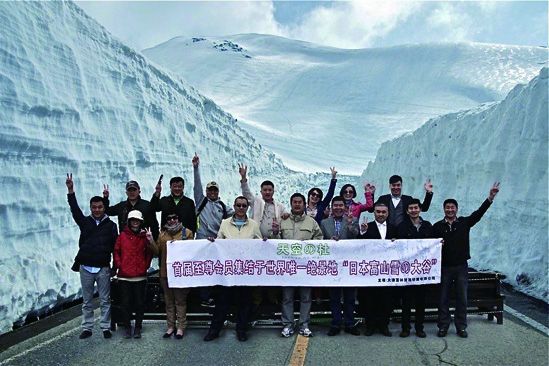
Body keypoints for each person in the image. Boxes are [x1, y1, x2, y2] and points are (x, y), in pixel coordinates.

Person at [433, 182, 500, 338]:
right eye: (447, 207)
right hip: (444, 267)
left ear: (457, 209)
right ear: (444, 209)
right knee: (443, 298)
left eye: (452, 207)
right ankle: (443, 326)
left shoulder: (464, 223)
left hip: (461, 266)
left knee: (462, 298)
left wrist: (489, 198)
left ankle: (461, 327)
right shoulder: (437, 227)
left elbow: (479, 213)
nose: (450, 210)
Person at [203, 196, 263, 342]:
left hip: (245, 271)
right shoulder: (224, 223)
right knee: (222, 302)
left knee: (244, 302)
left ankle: (241, 330)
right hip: (228, 271)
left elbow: (259, 245)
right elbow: (219, 242)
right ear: (234, 206)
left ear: (247, 207)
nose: (241, 208)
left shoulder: (254, 225)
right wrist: (213, 242)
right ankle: (214, 330)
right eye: (238, 205)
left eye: (244, 206)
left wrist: (264, 242)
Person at [65, 173, 118, 339]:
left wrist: (115, 267)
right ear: (91, 208)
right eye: (94, 207)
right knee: (87, 301)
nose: (97, 210)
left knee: (104, 300)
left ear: (104, 208)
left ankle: (105, 327)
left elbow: (115, 247)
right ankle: (87, 327)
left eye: (100, 207)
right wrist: (71, 191)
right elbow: (75, 210)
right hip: (86, 267)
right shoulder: (85, 222)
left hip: (103, 267)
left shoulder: (111, 225)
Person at [275, 193, 324, 338]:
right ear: (291, 204)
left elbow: (319, 239)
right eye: (294, 202)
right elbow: (275, 242)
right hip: (288, 267)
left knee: (306, 297)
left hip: (305, 267)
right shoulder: (282, 221)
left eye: (300, 202)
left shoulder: (311, 222)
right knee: (287, 297)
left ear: (304, 204)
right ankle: (288, 325)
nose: (297, 204)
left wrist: (309, 247)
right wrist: (276, 233)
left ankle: (304, 325)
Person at [192, 154, 233, 307]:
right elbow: (197, 186)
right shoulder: (201, 201)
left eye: (215, 190)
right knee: (204, 268)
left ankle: (215, 296)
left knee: (216, 269)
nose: (213, 192)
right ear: (207, 191)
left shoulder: (223, 206)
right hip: (202, 240)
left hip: (217, 242)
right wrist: (196, 168)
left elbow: (237, 215)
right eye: (210, 190)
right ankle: (204, 297)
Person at [320, 196, 360, 336]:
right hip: (332, 266)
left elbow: (356, 237)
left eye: (340, 205)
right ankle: (335, 323)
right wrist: (328, 242)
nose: (338, 208)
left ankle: (350, 323)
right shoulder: (324, 223)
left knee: (350, 297)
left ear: (345, 207)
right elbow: (320, 241)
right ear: (332, 207)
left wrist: (350, 225)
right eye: (335, 205)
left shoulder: (353, 220)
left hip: (348, 265)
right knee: (334, 297)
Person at [357, 202, 398, 337]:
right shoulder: (367, 227)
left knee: (386, 299)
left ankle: (384, 325)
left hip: (388, 270)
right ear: (374, 212)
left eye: (383, 212)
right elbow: (359, 245)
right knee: (370, 299)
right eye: (378, 211)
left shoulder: (394, 228)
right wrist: (362, 233)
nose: (380, 214)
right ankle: (370, 326)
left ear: (388, 213)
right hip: (371, 270)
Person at [113, 210, 156, 339]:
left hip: (140, 275)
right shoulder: (122, 236)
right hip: (124, 276)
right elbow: (116, 251)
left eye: (137, 220)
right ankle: (127, 327)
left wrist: (145, 265)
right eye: (133, 220)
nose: (135, 222)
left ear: (140, 222)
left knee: (139, 303)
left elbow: (150, 253)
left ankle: (138, 327)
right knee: (125, 303)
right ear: (129, 221)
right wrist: (120, 265)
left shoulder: (144, 237)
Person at [151, 212, 194, 339]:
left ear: (178, 219)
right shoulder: (162, 234)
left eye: (175, 218)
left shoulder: (187, 233)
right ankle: (170, 326)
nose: (172, 220)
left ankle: (181, 327)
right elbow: (156, 252)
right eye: (169, 218)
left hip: (180, 273)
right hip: (165, 272)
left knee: (180, 301)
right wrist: (150, 240)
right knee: (168, 301)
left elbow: (193, 250)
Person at [396, 198, 434, 338]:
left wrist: (439, 242)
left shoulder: (428, 226)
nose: (413, 210)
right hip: (407, 271)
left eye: (416, 208)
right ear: (407, 211)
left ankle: (419, 328)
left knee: (420, 302)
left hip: (423, 270)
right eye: (411, 208)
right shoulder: (401, 226)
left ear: (420, 209)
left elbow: (434, 243)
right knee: (406, 302)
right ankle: (405, 328)